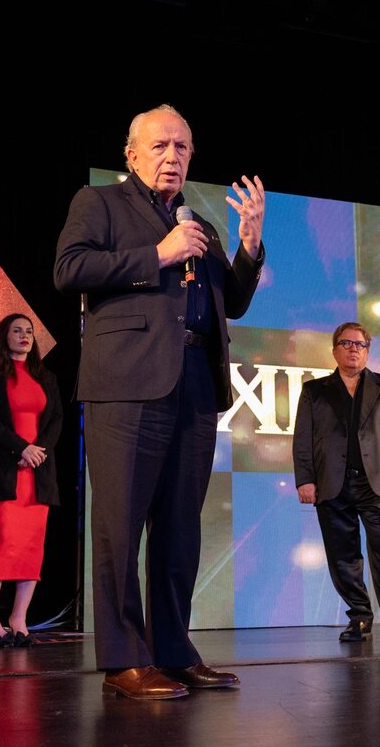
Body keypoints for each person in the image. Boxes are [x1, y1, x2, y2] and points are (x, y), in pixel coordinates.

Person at [54, 104, 265, 699]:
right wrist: (159, 256)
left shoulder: (200, 221)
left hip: (195, 381)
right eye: (160, 146)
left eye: (182, 147)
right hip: (124, 384)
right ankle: (124, 660)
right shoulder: (97, 203)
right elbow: (70, 270)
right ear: (132, 154)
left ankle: (173, 651)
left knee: (180, 530)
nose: (172, 156)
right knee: (120, 527)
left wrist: (248, 247)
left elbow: (235, 300)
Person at [292, 322, 380, 643]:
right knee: (343, 555)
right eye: (346, 343)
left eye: (360, 344)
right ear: (335, 350)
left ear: (367, 350)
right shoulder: (314, 391)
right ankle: (360, 618)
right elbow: (303, 440)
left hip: (376, 483)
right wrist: (305, 480)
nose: (353, 349)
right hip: (330, 484)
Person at [0, 313, 62, 648]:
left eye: (29, 332)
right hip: (4, 470)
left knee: (31, 546)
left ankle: (19, 619)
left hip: (38, 472)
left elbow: (56, 420)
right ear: (4, 336)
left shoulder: (47, 377)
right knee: (1, 541)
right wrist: (21, 448)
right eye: (17, 331)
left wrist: (39, 451)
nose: (24, 336)